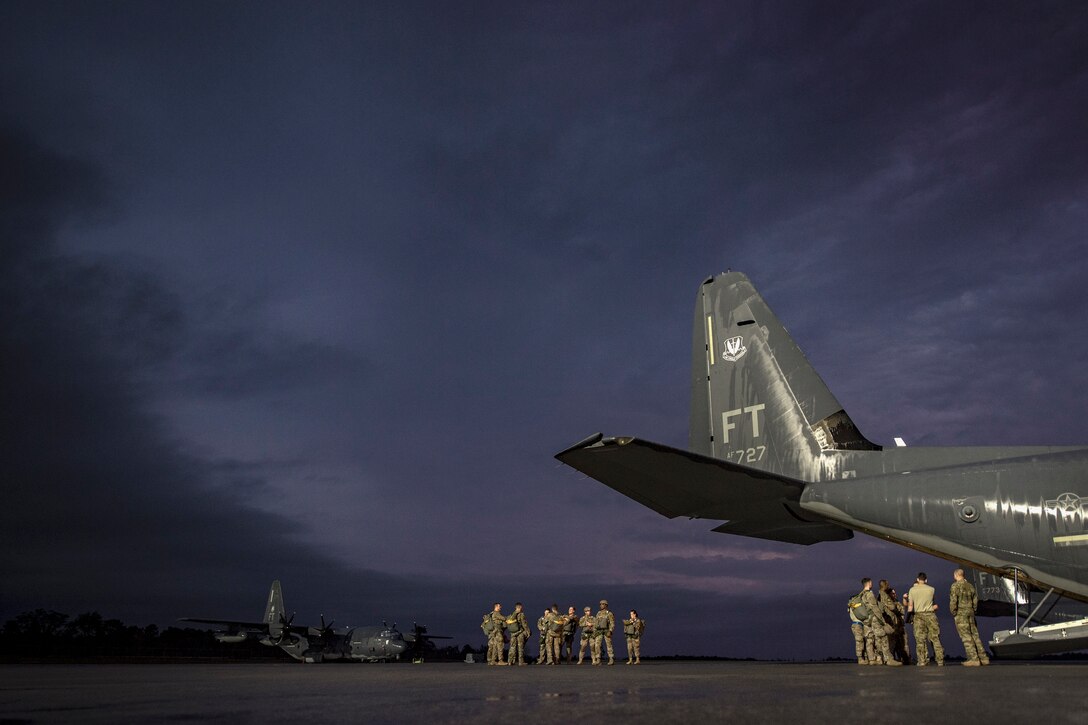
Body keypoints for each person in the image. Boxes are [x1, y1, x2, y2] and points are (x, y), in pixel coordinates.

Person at [949, 569, 990, 666]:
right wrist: (973, 610)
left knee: (966, 636)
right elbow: (975, 600)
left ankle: (973, 659)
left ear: (956, 575)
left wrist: (953, 612)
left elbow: (953, 600)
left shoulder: (955, 586)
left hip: (961, 613)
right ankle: (983, 658)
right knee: (975, 635)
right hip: (971, 612)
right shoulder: (970, 586)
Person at [860, 578, 901, 666]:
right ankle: (889, 659)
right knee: (883, 637)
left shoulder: (862, 595)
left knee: (877, 639)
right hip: (875, 619)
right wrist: (882, 621)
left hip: (869, 619)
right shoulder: (870, 595)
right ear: (869, 583)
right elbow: (875, 608)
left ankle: (879, 658)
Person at [907, 572, 945, 666]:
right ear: (926, 580)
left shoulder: (912, 590)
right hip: (930, 615)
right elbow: (933, 603)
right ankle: (940, 660)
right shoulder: (931, 589)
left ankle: (922, 660)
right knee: (935, 638)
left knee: (920, 639)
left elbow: (910, 606)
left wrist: (908, 618)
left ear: (917, 579)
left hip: (918, 616)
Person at [595, 600, 616, 665]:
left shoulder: (609, 613)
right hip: (599, 631)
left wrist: (611, 630)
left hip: (606, 631)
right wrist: (595, 630)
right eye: (600, 604)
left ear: (605, 605)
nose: (601, 605)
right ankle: (598, 659)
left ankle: (611, 659)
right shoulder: (598, 613)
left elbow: (612, 623)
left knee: (609, 645)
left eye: (602, 604)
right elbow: (596, 622)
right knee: (597, 645)